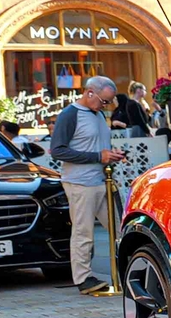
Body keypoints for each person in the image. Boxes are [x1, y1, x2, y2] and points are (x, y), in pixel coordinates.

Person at [48, 75, 119, 295]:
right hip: (80, 182)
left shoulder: (96, 114)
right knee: (83, 231)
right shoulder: (70, 115)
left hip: (101, 180)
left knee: (118, 227)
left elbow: (95, 145)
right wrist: (99, 156)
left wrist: (109, 155)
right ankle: (82, 278)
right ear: (89, 93)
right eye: (104, 101)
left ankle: (125, 270)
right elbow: (58, 150)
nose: (106, 106)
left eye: (109, 102)